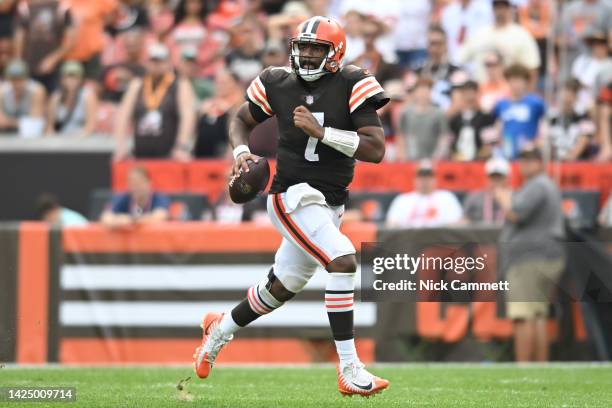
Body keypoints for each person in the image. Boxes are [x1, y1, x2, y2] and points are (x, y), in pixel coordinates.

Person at [193, 17, 390, 397]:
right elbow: (240, 119)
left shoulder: (352, 82)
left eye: (317, 48)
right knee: (344, 259)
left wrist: (324, 133)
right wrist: (241, 151)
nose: (308, 54)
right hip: (291, 196)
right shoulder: (277, 82)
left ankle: (218, 330)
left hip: (330, 200)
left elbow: (376, 149)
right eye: (303, 46)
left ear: (336, 53)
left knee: (281, 288)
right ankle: (349, 368)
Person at [495, 146, 565, 362]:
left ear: (540, 162)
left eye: (530, 159)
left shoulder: (538, 185)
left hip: (531, 257)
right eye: (522, 159)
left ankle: (525, 368)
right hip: (544, 254)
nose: (525, 164)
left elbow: (516, 214)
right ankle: (539, 369)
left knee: (523, 315)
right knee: (538, 315)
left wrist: (502, 196)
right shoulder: (542, 185)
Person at [113, 43, 196, 161]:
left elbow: (187, 116)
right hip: (140, 152)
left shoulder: (180, 84)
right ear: (146, 62)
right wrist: (121, 145)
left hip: (170, 154)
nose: (156, 65)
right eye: (153, 61)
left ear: (169, 62)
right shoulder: (137, 84)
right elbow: (123, 115)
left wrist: (181, 146)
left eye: (160, 61)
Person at [458, 0, 540, 87]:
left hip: (508, 95)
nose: (500, 10)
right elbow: (460, 60)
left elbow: (532, 69)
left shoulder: (521, 35)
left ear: (510, 8)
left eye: (503, 6)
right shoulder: (480, 33)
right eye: (496, 6)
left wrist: (525, 95)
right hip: (481, 92)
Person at [13, 0, 76, 92]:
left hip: (55, 67)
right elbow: (19, 37)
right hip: (29, 63)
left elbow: (70, 40)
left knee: (54, 97)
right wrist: (18, 60)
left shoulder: (62, 7)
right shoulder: (25, 7)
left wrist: (53, 59)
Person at [386, 160, 463, 228]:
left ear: (435, 179)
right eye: (421, 177)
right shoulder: (402, 200)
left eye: (429, 177)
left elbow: (457, 224)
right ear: (414, 179)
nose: (425, 180)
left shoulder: (447, 198)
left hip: (439, 241)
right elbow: (391, 225)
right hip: (409, 241)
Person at [492, 64, 546, 159]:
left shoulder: (536, 103)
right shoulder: (501, 104)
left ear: (526, 82)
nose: (516, 85)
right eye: (512, 80)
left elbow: (543, 127)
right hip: (506, 153)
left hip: (528, 154)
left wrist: (536, 144)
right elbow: (498, 127)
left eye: (519, 80)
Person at [396, 76, 450, 160]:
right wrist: (402, 155)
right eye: (420, 89)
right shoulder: (406, 113)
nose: (423, 93)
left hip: (432, 159)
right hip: (410, 158)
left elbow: (443, 136)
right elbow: (401, 136)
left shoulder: (439, 113)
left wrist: (439, 156)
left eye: (426, 90)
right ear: (415, 92)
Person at [193, 69, 244, 158]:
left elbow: (235, 136)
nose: (220, 86)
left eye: (224, 83)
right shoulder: (208, 105)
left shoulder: (237, 106)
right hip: (201, 156)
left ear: (235, 85)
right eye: (218, 82)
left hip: (221, 156)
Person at [100, 166, 170, 228]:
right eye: (132, 183)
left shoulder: (159, 197)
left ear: (149, 183)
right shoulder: (123, 197)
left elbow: (159, 216)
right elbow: (105, 217)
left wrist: (132, 220)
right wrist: (118, 222)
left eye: (139, 183)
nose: (136, 187)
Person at [547, 79, 596, 161]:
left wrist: (570, 157)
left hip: (577, 163)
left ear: (576, 97)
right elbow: (546, 141)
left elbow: (584, 140)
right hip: (554, 163)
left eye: (571, 94)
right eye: (564, 93)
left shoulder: (584, 117)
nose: (566, 98)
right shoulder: (550, 117)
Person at [45, 61, 97, 137]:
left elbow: (91, 125)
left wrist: (78, 139)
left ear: (81, 79)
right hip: (60, 139)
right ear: (62, 79)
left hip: (82, 140)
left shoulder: (87, 95)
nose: (71, 80)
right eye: (68, 77)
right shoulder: (56, 97)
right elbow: (49, 126)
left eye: (75, 77)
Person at [449, 79, 497, 161]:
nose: (470, 96)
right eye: (467, 93)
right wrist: (455, 155)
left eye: (473, 92)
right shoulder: (455, 119)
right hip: (458, 162)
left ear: (478, 94)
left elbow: (490, 144)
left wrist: (479, 156)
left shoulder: (486, 118)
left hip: (479, 162)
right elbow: (450, 142)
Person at [416, 25, 461, 110]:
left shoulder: (455, 71)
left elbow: (457, 103)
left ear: (445, 45)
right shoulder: (419, 71)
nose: (435, 48)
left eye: (439, 43)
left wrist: (439, 121)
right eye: (432, 43)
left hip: (446, 117)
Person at [0, 59, 46, 136]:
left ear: (26, 78)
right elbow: (1, 121)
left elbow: (35, 120)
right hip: (6, 132)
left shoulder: (36, 90)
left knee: (33, 128)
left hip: (29, 133)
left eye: (20, 79)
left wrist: (10, 122)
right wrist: (22, 122)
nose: (17, 83)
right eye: (13, 79)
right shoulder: (2, 90)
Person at [440, 0, 493, 64]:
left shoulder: (485, 9)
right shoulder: (449, 11)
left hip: (477, 60)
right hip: (453, 60)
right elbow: (444, 38)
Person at [461, 157, 509, 225]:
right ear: (487, 178)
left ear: (506, 179)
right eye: (492, 178)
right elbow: (464, 220)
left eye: (499, 178)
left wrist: (505, 203)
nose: (495, 182)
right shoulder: (474, 198)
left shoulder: (515, 198)